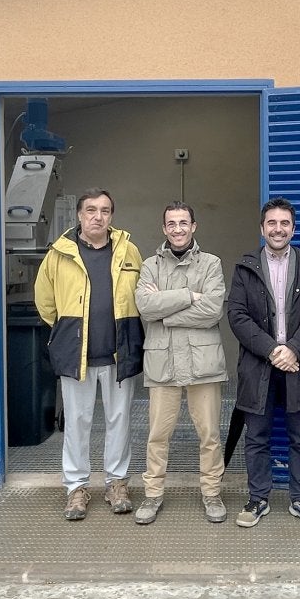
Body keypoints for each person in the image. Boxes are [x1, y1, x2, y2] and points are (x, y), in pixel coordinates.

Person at [35, 188, 144, 521]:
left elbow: (143, 297)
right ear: (80, 215)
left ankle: (116, 483)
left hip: (118, 352)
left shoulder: (129, 251)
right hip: (76, 354)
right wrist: (68, 333)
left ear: (112, 216)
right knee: (78, 423)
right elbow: (45, 302)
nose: (99, 216)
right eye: (92, 210)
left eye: (106, 210)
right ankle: (76, 488)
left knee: (119, 421)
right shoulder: (58, 254)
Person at [226, 197, 300, 529]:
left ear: (293, 228)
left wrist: (294, 350)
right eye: (271, 223)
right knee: (257, 436)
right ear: (262, 228)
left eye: (284, 223)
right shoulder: (245, 267)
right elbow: (237, 316)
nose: (278, 229)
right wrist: (273, 350)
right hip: (259, 365)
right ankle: (258, 499)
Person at [133, 203, 229, 524]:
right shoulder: (149, 265)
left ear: (194, 226)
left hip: (203, 363)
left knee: (210, 435)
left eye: (183, 223)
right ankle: (153, 495)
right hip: (163, 363)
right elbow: (146, 307)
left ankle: (212, 493)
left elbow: (214, 310)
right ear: (163, 229)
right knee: (157, 435)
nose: (177, 229)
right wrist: (190, 295)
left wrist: (166, 310)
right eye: (171, 224)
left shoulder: (211, 264)